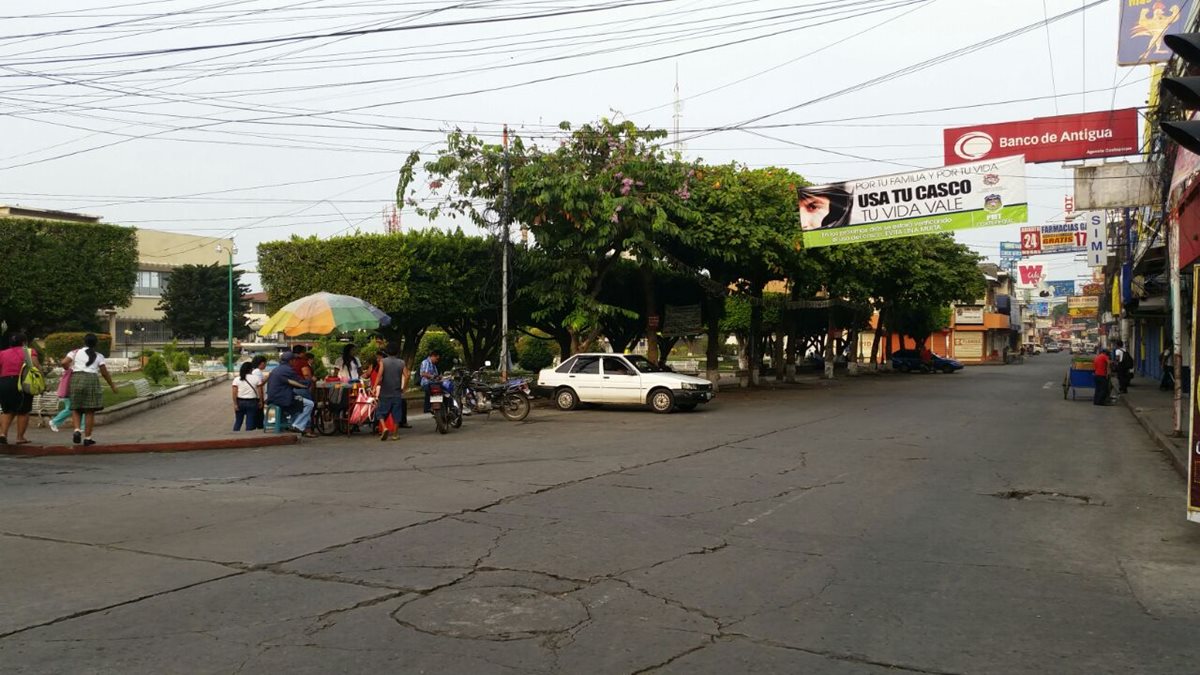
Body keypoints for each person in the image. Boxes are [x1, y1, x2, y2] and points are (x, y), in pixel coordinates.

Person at [65, 333, 119, 446]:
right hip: (91, 380)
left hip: (77, 378)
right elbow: (104, 372)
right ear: (95, 344)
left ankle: (76, 430)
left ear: (84, 342)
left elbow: (64, 362)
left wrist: (69, 369)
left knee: (76, 408)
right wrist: (112, 385)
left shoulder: (74, 352)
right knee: (89, 410)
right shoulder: (98, 356)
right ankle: (88, 438)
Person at [0, 332, 39, 445]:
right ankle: (20, 437)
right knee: (23, 410)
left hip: (4, 382)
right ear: (24, 342)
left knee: (7, 410)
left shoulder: (2, 353)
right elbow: (35, 366)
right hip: (22, 382)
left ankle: (3, 434)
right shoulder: (28, 352)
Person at [265, 352, 317, 437]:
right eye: (294, 360)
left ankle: (295, 424)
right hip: (282, 398)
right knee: (309, 404)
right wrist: (311, 380)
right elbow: (299, 382)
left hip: (272, 398)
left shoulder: (276, 369)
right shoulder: (288, 370)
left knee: (299, 403)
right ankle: (297, 425)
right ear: (291, 361)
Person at [374, 342, 410, 441]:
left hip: (385, 391)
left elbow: (379, 375)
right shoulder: (401, 362)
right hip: (397, 392)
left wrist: (374, 387)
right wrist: (404, 387)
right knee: (396, 413)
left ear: (387, 351)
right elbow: (407, 376)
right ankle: (395, 434)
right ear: (397, 352)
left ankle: (384, 427)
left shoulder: (383, 362)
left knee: (380, 411)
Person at [232, 361, 262, 431]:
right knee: (250, 421)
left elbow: (234, 393)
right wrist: (260, 401)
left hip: (240, 402)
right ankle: (248, 436)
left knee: (238, 421)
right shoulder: (256, 378)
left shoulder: (237, 379)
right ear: (250, 369)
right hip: (252, 402)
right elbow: (260, 392)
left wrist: (235, 404)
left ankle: (234, 435)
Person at [419, 349, 442, 414]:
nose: (437, 361)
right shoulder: (425, 362)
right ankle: (428, 407)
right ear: (432, 356)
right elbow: (423, 373)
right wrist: (432, 376)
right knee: (430, 389)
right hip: (426, 383)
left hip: (433, 382)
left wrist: (439, 377)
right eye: (436, 359)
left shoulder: (433, 365)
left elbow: (436, 375)